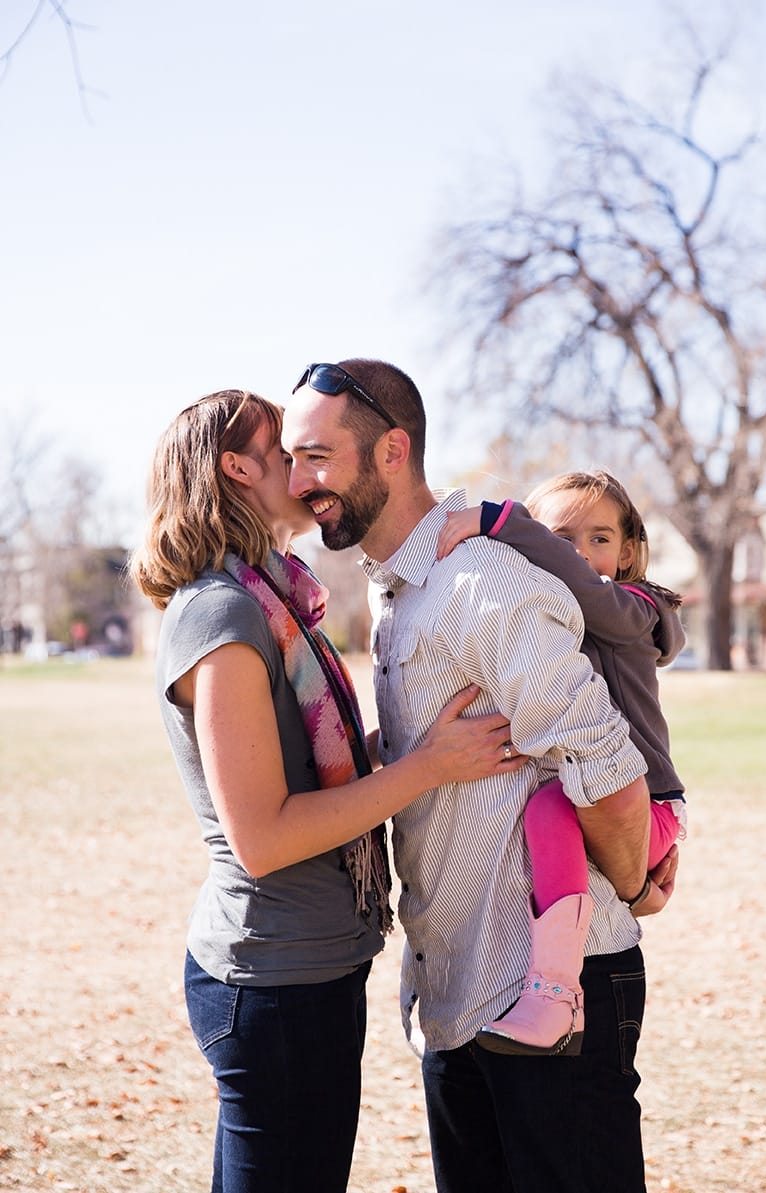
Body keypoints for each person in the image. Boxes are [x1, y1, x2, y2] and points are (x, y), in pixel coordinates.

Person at [282, 360, 678, 1193]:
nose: (297, 481)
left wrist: (636, 880)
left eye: (316, 456)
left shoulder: (479, 581)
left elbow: (604, 763)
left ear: (393, 449)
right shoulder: (401, 593)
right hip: (456, 995)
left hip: (553, 1002)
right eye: (289, 459)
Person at [128, 388, 526, 1193]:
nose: (308, 472)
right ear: (239, 468)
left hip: (314, 965)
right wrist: (427, 767)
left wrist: (412, 740)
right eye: (288, 453)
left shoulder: (274, 597)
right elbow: (263, 834)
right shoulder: (224, 614)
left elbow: (312, 770)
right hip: (270, 979)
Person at [436, 471, 686, 1054]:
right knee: (551, 805)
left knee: (550, 806)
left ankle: (554, 994)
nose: (580, 552)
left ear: (626, 552)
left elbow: (587, 591)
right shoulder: (541, 617)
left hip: (649, 806)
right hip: (605, 808)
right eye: (563, 535)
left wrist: (505, 523)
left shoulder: (635, 609)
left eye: (599, 538)